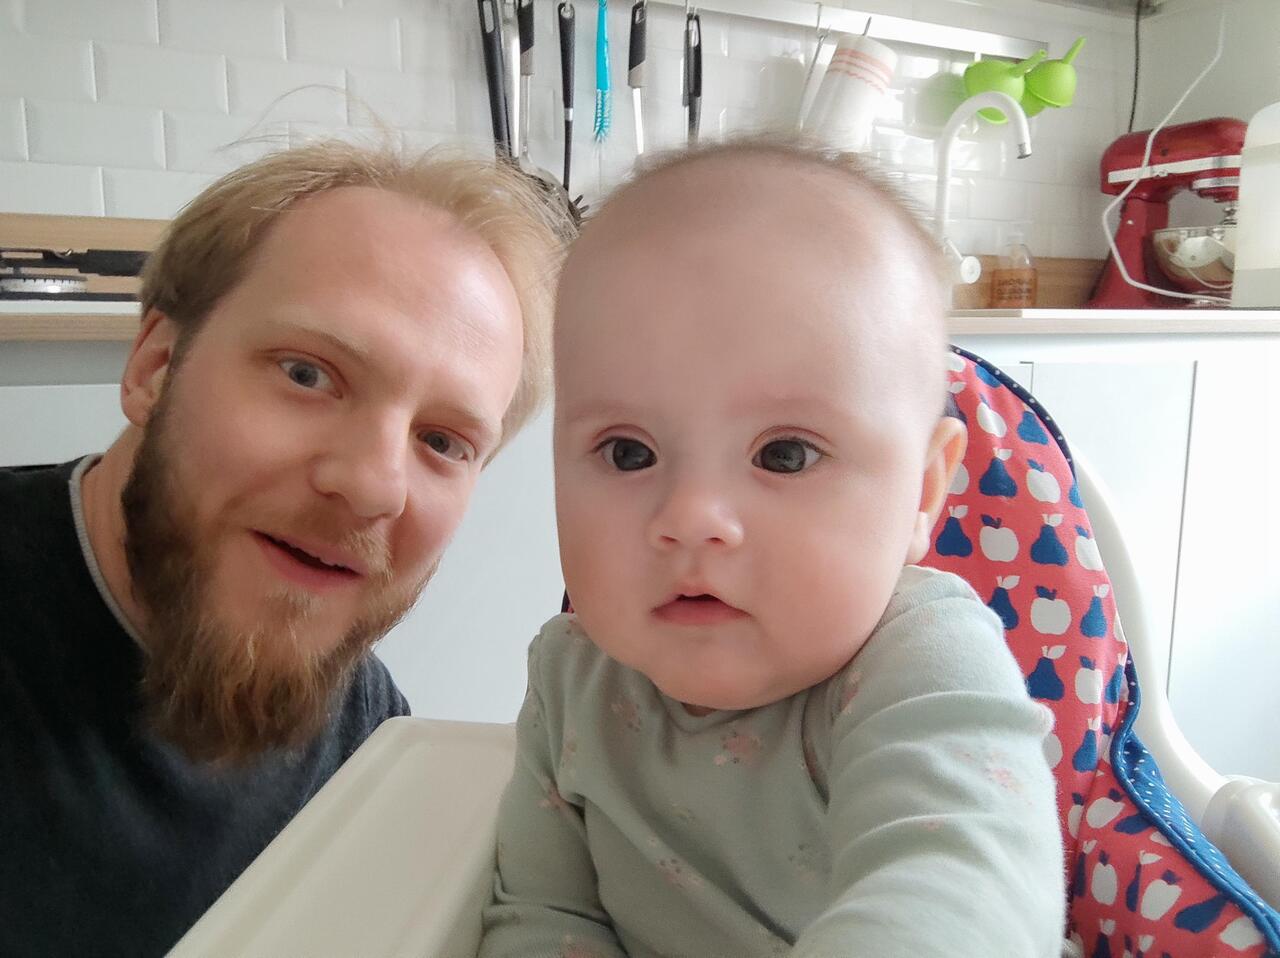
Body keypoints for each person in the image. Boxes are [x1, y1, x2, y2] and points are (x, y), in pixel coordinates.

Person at [480, 139, 1066, 958]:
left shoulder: (921, 661)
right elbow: (543, 916)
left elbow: (966, 885)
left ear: (923, 494)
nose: (691, 517)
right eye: (627, 452)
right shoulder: (570, 681)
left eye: (784, 455)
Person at [0, 140, 568, 957]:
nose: (375, 486)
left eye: (443, 441)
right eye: (307, 374)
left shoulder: (371, 743)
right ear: (155, 368)